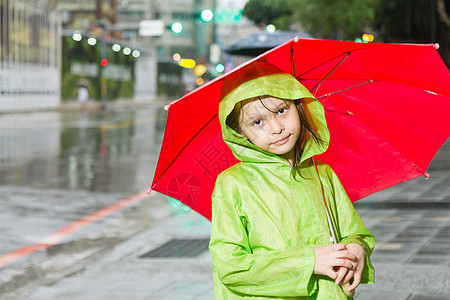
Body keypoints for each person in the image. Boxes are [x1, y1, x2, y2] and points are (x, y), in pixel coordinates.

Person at [209, 62, 374, 299]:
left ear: (299, 105)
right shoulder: (233, 183)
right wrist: (310, 261)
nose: (276, 128)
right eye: (257, 122)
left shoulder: (321, 172)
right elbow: (231, 266)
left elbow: (352, 231)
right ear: (240, 133)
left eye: (282, 110)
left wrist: (356, 250)